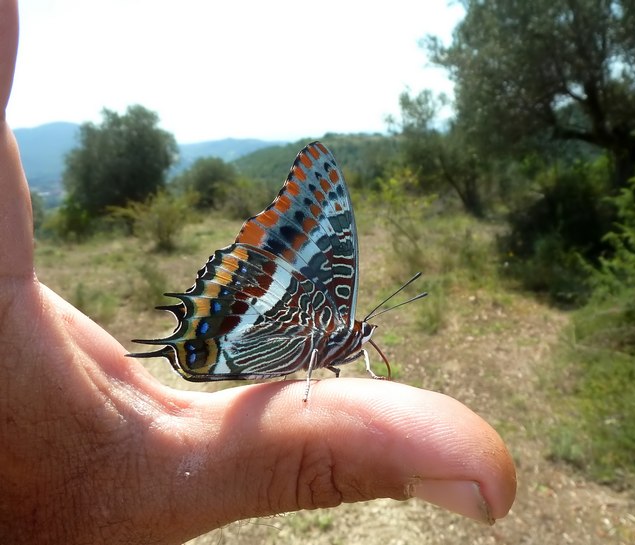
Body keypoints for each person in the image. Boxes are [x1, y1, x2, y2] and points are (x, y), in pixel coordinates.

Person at [0, 1, 516, 543]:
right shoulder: (329, 310)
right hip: (242, 319)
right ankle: (207, 341)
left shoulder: (340, 331)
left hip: (251, 335)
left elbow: (357, 348)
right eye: (362, 333)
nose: (364, 333)